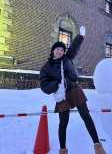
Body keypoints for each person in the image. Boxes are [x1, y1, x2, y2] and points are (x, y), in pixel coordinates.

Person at [40, 26, 106, 154]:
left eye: (62, 50)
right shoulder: (46, 68)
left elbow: (74, 47)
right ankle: (63, 150)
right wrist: (55, 85)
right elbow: (44, 85)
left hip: (74, 90)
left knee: (86, 116)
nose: (60, 51)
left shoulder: (67, 58)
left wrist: (80, 37)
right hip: (62, 95)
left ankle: (98, 146)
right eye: (57, 49)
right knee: (63, 123)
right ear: (53, 51)